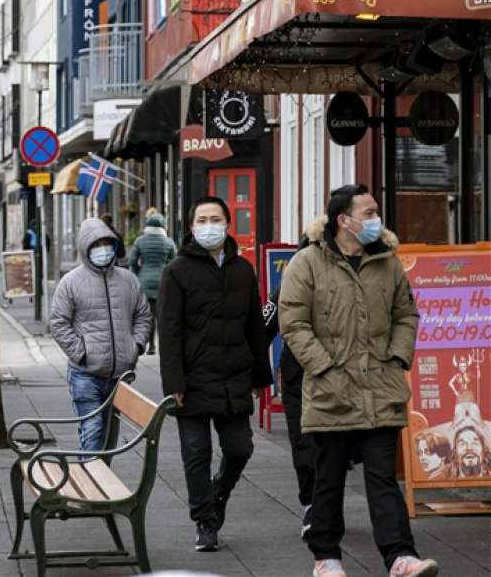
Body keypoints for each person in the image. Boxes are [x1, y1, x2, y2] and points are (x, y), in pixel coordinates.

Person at [279, 184, 436, 577]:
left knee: (383, 477)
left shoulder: (387, 262)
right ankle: (326, 557)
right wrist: (325, 367)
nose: (376, 220)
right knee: (327, 478)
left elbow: (406, 314)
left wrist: (398, 356)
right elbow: (293, 324)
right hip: (331, 389)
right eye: (368, 213)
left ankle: (400, 556)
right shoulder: (307, 263)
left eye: (375, 211)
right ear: (343, 220)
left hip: (380, 388)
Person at [158, 196, 271, 552]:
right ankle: (205, 522)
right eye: (202, 219)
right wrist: (174, 383)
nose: (209, 225)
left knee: (240, 448)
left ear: (227, 224)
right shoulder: (176, 271)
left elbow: (255, 324)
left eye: (215, 219)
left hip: (233, 376)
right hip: (191, 381)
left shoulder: (242, 270)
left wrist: (260, 376)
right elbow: (169, 331)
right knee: (196, 455)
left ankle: (219, 493)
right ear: (191, 228)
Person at [50, 218, 152, 453]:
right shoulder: (71, 282)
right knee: (93, 432)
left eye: (107, 243)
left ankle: (98, 484)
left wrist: (135, 346)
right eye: (96, 244)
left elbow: (143, 315)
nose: (102, 249)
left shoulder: (128, 280)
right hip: (86, 375)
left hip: (120, 376)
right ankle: (92, 488)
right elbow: (58, 323)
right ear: (85, 248)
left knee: (108, 439)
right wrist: (81, 353)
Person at [262, 229, 316, 538]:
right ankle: (311, 503)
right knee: (303, 443)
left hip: (334, 380)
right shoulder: (285, 289)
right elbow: (262, 327)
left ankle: (321, 503)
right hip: (297, 378)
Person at [126, 212, 176, 354]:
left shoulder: (140, 241)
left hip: (145, 282)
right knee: (162, 315)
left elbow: (132, 261)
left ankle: (151, 345)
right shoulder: (168, 242)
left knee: (147, 316)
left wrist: (138, 273)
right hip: (163, 282)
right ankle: (163, 344)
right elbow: (175, 262)